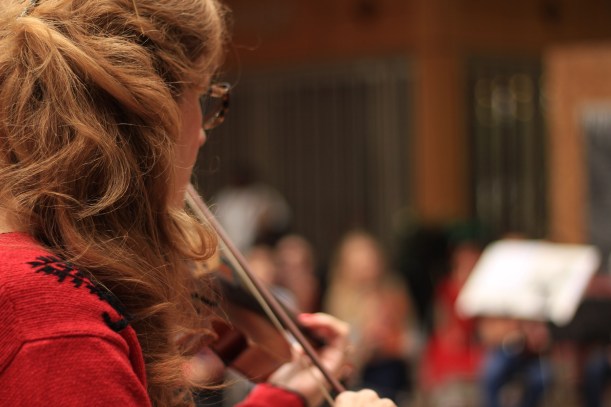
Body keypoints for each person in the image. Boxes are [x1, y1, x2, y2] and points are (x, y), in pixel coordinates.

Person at [0, 1, 396, 406]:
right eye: (202, 97)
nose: (203, 135)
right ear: (153, 114)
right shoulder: (58, 320)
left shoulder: (44, 292)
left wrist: (285, 396)